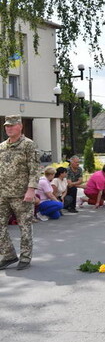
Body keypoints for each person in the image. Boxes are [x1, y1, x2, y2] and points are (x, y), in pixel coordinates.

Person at [0, 115, 40, 270]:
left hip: (22, 195)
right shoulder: (2, 146)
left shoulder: (28, 145)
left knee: (24, 227)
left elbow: (34, 169)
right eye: (6, 126)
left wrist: (31, 189)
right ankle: (8, 255)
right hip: (3, 193)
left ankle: (25, 257)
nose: (8, 128)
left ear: (20, 126)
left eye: (12, 125)